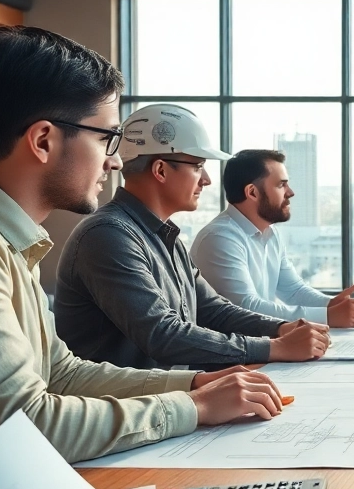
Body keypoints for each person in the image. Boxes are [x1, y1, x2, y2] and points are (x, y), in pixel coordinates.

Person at [0, 27, 284, 489]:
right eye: (107, 137)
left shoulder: (2, 235)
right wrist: (190, 407)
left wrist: (195, 382)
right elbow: (24, 423)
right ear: (43, 140)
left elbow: (62, 375)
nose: (114, 159)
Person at [54, 104, 330, 371]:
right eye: (198, 166)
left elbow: (212, 309)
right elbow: (163, 335)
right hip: (128, 407)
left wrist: (281, 328)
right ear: (160, 170)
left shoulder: (163, 235)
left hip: (167, 392)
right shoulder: (109, 236)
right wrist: (274, 347)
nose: (207, 180)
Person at [190, 149, 354, 326]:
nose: (290, 192)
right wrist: (327, 316)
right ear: (252, 192)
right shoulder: (219, 238)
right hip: (235, 351)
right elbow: (245, 308)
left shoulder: (270, 232)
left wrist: (331, 304)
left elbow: (293, 290)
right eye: (281, 185)